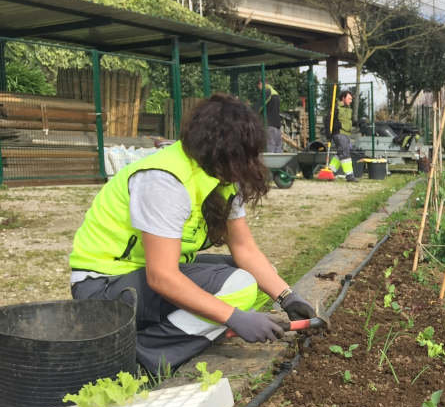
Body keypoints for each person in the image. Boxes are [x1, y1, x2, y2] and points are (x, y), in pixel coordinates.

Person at [69, 94, 316, 374]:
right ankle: (138, 359)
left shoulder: (219, 178)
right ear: (221, 149)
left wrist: (288, 297)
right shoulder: (165, 180)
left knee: (259, 280)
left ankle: (182, 335)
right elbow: (161, 276)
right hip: (103, 288)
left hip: (141, 280)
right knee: (240, 287)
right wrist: (235, 318)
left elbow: (245, 250)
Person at [324, 90, 359, 182]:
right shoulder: (336, 108)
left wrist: (356, 123)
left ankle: (330, 172)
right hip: (339, 134)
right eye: (349, 98)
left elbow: (348, 122)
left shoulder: (349, 109)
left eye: (351, 99)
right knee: (345, 153)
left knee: (340, 153)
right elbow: (328, 121)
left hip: (346, 134)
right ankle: (349, 175)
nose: (351, 100)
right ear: (343, 98)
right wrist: (329, 134)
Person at [257, 80, 282, 153]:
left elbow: (259, 106)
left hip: (269, 125)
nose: (259, 88)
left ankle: (271, 164)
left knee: (270, 147)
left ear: (261, 83)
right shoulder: (275, 92)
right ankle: (279, 164)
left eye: (258, 86)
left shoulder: (267, 92)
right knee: (278, 147)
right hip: (277, 125)